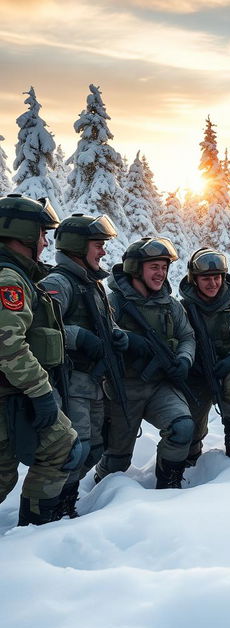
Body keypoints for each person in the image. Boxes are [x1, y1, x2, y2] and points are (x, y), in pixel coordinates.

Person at [0, 193, 80, 526]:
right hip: (12, 393)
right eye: (43, 234)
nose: (47, 242)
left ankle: (35, 528)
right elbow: (7, 344)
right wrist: (42, 392)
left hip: (15, 393)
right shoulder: (9, 279)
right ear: (25, 234)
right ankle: (33, 531)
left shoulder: (21, 276)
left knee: (62, 445)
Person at [94, 237, 197, 489]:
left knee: (182, 427)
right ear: (135, 268)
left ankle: (168, 485)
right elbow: (102, 333)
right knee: (116, 460)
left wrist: (184, 359)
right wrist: (127, 340)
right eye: (154, 267)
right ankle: (100, 496)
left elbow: (187, 336)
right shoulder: (112, 302)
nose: (161, 273)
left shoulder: (169, 304)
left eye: (164, 267)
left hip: (159, 385)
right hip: (122, 388)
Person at [41, 213, 126, 517]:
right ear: (77, 246)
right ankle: (55, 511)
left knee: (93, 449)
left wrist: (117, 336)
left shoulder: (92, 283)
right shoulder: (58, 282)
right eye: (97, 244)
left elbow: (106, 323)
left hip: (93, 382)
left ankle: (67, 503)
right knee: (74, 450)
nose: (103, 251)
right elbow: (39, 330)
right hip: (69, 381)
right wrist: (79, 338)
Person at [179, 248, 230, 463]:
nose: (212, 283)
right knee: (191, 422)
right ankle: (192, 450)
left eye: (216, 277)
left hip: (229, 369)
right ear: (194, 280)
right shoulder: (182, 308)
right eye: (205, 278)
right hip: (195, 374)